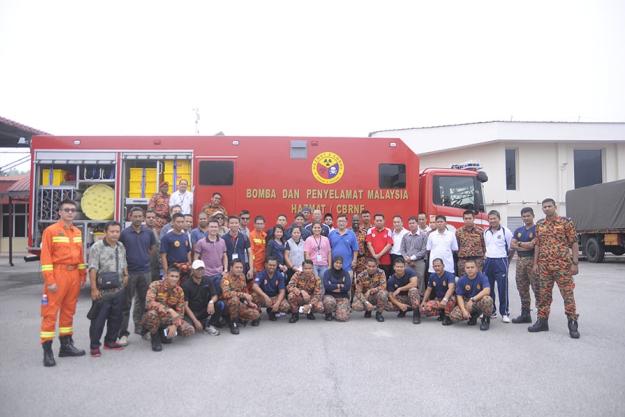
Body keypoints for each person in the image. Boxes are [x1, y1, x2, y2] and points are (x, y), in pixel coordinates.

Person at [39, 199, 87, 367]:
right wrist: (50, 280)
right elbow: (45, 258)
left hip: (73, 274)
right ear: (59, 212)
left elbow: (80, 255)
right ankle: (47, 351)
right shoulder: (51, 231)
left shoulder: (77, 232)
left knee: (69, 311)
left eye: (73, 210)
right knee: (50, 313)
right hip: (57, 274)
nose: (70, 212)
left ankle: (65, 346)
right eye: (66, 210)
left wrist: (82, 274)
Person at [529, 198, 580, 338]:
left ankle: (572, 322)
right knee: (543, 296)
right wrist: (535, 263)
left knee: (567, 295)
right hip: (544, 266)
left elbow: (574, 243)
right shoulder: (540, 224)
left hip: (563, 266)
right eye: (544, 207)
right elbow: (538, 245)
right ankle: (542, 321)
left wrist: (575, 263)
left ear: (555, 206)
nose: (546, 208)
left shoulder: (565, 222)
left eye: (549, 206)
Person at [87, 221, 128, 356]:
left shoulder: (121, 246)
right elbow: (93, 268)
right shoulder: (96, 247)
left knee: (116, 318)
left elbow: (124, 263)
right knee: (98, 320)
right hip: (102, 291)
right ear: (106, 232)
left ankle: (110, 341)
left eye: (117, 231)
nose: (115, 234)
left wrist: (126, 275)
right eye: (112, 231)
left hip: (118, 290)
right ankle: (94, 346)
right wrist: (94, 289)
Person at [118, 207, 157, 346]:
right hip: (130, 273)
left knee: (145, 303)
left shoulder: (149, 232)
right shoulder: (124, 233)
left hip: (145, 272)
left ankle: (144, 330)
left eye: (140, 216)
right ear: (130, 217)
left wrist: (144, 258)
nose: (138, 218)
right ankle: (123, 334)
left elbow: (152, 249)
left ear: (143, 217)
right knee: (126, 304)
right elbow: (120, 252)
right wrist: (125, 271)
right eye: (135, 216)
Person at [142, 268, 195, 352]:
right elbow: (149, 303)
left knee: (189, 330)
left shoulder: (179, 290)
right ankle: (154, 337)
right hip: (155, 316)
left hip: (168, 319)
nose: (174, 278)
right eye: (172, 276)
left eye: (176, 276)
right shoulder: (155, 285)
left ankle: (164, 332)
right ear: (166, 276)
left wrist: (174, 325)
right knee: (151, 314)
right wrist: (169, 310)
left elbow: (180, 312)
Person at [483, 210, 514, 322]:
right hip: (489, 261)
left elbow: (511, 248)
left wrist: (507, 261)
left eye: (494, 218)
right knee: (488, 288)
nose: (492, 221)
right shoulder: (485, 231)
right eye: (490, 219)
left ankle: (504, 313)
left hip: (501, 261)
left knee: (502, 288)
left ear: (499, 218)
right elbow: (486, 247)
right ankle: (492, 311)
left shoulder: (506, 231)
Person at [510, 207, 538, 324]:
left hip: (532, 261)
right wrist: (523, 245)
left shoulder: (537, 229)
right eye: (524, 216)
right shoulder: (518, 230)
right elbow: (512, 245)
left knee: (537, 288)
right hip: (520, 261)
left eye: (528, 216)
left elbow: (532, 245)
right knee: (522, 288)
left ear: (533, 216)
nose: (526, 218)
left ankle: (542, 316)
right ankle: (525, 314)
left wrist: (520, 243)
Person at [182, 260, 223, 336]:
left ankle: (209, 325)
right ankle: (200, 323)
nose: (200, 271)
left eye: (202, 269)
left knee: (220, 304)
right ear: (193, 270)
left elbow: (215, 295)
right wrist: (195, 321)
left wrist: (211, 302)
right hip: (192, 313)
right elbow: (185, 306)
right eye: (197, 269)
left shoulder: (208, 280)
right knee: (188, 330)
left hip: (205, 310)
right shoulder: (186, 285)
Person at [449, 260, 493, 330]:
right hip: (467, 303)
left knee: (487, 299)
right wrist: (464, 311)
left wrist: (473, 299)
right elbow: (459, 296)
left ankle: (485, 319)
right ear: (465, 269)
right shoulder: (462, 280)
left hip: (479, 301)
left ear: (477, 268)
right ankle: (473, 316)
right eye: (468, 268)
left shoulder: (482, 277)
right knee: (454, 316)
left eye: (472, 267)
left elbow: (487, 290)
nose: (470, 269)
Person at [220, 259, 261, 335]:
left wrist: (249, 302)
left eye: (241, 267)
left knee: (256, 314)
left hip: (239, 302)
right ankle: (233, 323)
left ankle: (238, 317)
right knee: (234, 299)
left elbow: (245, 290)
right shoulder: (225, 278)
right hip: (226, 303)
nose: (239, 269)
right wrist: (243, 295)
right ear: (231, 267)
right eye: (237, 267)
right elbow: (226, 294)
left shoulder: (242, 276)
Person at [251, 257, 291, 322]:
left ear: (276, 266)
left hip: (274, 297)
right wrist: (265, 296)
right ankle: (257, 315)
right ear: (266, 265)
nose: (272, 267)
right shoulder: (261, 274)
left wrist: (277, 303)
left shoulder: (279, 275)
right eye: (270, 265)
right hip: (263, 297)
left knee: (286, 306)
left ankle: (272, 312)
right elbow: (254, 286)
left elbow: (282, 291)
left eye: (274, 265)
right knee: (253, 296)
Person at [420, 258, 456, 325]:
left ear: (443, 266)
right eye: (435, 266)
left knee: (451, 300)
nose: (437, 268)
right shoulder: (432, 276)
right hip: (438, 299)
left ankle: (448, 317)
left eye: (439, 266)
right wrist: (424, 301)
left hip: (448, 299)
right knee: (423, 309)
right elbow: (428, 289)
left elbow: (451, 288)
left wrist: (445, 300)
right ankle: (441, 313)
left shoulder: (449, 275)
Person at [351, 257, 388, 322]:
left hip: (376, 295)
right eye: (369, 266)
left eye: (373, 266)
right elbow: (358, 292)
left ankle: (379, 313)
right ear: (366, 266)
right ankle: (368, 310)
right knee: (355, 306)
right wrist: (366, 303)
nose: (371, 268)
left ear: (377, 266)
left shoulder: (381, 272)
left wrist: (371, 290)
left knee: (383, 294)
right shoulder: (361, 275)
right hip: (365, 296)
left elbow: (383, 286)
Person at [385, 258, 421, 324]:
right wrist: (399, 304)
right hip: (401, 298)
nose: (399, 269)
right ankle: (403, 309)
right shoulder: (391, 279)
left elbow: (414, 283)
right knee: (387, 304)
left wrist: (400, 289)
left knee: (413, 290)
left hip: (412, 297)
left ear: (405, 267)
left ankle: (416, 313)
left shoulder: (410, 272)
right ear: (394, 267)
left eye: (401, 267)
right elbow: (390, 295)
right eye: (397, 267)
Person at [193, 219, 228, 287]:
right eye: (211, 227)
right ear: (208, 228)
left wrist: (225, 269)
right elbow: (196, 257)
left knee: (218, 294)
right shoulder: (201, 242)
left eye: (215, 227)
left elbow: (225, 256)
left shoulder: (222, 241)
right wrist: (197, 270)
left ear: (218, 228)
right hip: (206, 274)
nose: (213, 229)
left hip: (219, 274)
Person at [159, 213, 192, 280]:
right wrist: (166, 272)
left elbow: (188, 252)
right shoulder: (167, 237)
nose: (180, 224)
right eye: (178, 222)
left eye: (182, 222)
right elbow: (163, 256)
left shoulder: (185, 236)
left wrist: (190, 265)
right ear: (173, 223)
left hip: (185, 269)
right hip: (173, 269)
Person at [400, 216, 428, 295]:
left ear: (417, 224)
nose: (411, 225)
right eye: (410, 223)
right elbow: (402, 249)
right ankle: (406, 296)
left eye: (413, 223)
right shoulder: (405, 236)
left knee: (420, 279)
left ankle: (421, 296)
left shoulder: (423, 235)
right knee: (406, 278)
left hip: (419, 262)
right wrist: (406, 257)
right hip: (407, 262)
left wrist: (412, 258)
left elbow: (424, 250)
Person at [456, 210, 486, 275]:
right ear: (463, 219)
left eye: (470, 218)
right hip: (463, 260)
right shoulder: (458, 232)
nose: (468, 220)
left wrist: (482, 257)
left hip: (477, 260)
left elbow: (484, 245)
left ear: (474, 218)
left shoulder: (480, 231)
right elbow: (456, 246)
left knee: (478, 280)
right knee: (463, 280)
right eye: (466, 218)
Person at [322, 257, 352, 321]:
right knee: (329, 302)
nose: (338, 265)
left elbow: (347, 287)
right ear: (333, 262)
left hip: (343, 297)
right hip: (330, 295)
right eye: (336, 262)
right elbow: (327, 286)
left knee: (342, 318)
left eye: (340, 263)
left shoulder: (345, 273)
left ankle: (338, 311)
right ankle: (328, 314)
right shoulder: (327, 272)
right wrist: (339, 285)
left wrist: (332, 286)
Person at [145, 209, 162, 282]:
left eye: (153, 217)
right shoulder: (142, 231)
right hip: (146, 266)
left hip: (156, 265)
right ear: (145, 219)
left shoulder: (156, 231)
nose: (151, 219)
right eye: (148, 217)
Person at [354, 210, 372, 275]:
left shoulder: (373, 229)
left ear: (370, 217)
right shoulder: (359, 229)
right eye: (364, 216)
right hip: (360, 258)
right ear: (361, 218)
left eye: (367, 216)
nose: (366, 218)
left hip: (371, 257)